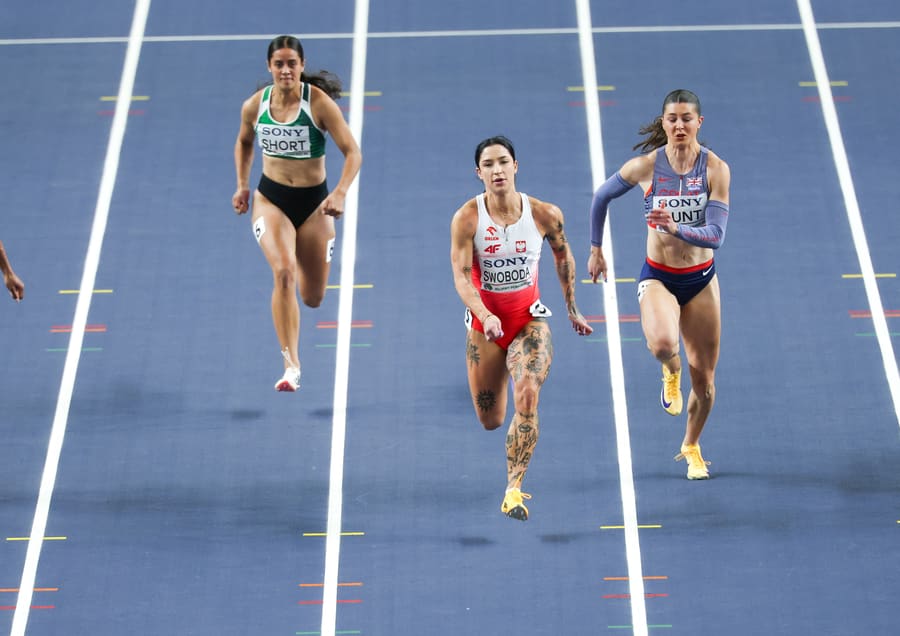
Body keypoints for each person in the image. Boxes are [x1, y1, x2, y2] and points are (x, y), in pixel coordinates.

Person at [587, 89, 731, 480]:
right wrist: (597, 248)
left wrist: (676, 226)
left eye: (687, 118)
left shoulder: (716, 169)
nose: (680, 125)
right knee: (664, 345)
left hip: (700, 281)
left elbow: (716, 235)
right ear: (664, 123)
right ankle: (670, 371)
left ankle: (691, 445)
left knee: (705, 382)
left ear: (699, 122)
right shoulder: (646, 167)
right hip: (659, 277)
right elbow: (601, 196)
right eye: (673, 118)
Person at [451, 136, 593, 520]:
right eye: (489, 165)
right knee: (491, 419)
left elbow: (564, 258)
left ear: (516, 166)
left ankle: (513, 488)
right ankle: (509, 467)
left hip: (529, 319)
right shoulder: (467, 218)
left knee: (527, 395)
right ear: (478, 173)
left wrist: (572, 308)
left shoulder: (544, 214)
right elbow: (462, 278)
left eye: (503, 162)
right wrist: (486, 313)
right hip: (486, 326)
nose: (497, 170)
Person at [232, 35, 362, 392]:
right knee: (284, 272)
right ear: (269, 67)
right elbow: (244, 141)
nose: (286, 70)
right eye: (279, 64)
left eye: (292, 63)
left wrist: (339, 192)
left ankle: (304, 301)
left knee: (313, 297)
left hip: (315, 205)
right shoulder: (253, 107)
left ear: (302, 66)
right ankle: (291, 365)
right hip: (271, 200)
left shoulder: (317, 104)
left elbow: (353, 153)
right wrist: (243, 185)